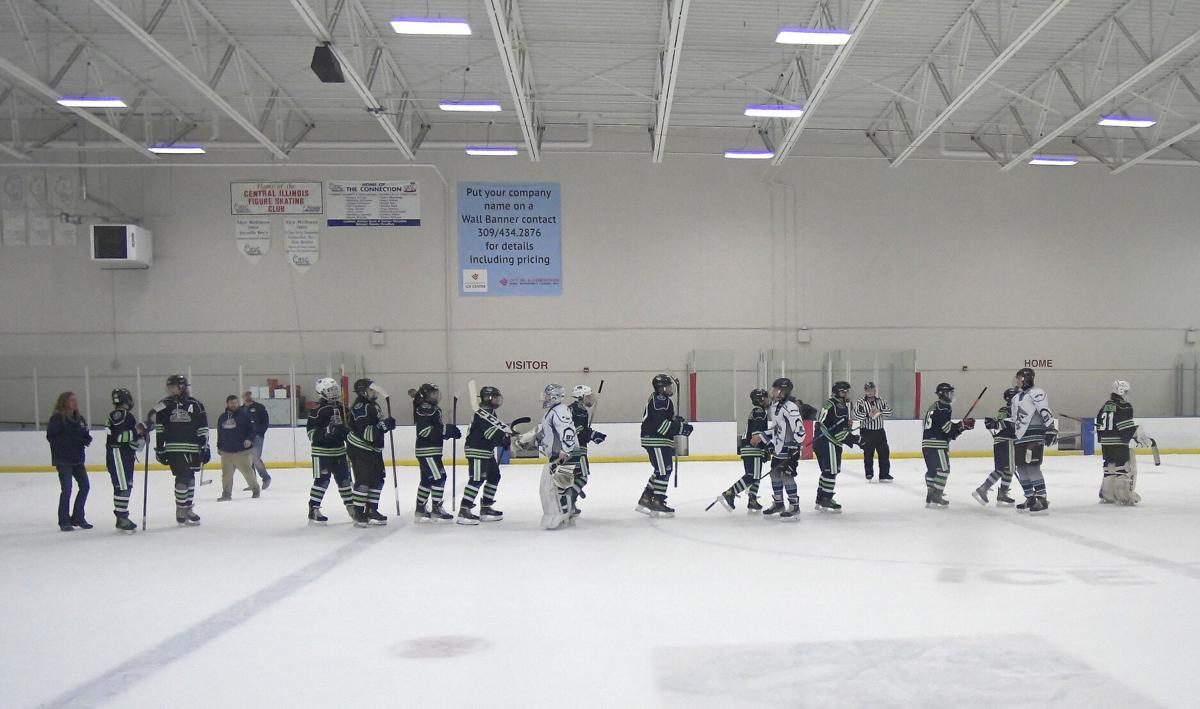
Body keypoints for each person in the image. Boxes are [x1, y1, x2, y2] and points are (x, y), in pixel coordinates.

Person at [151, 374, 208, 527]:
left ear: (182, 387)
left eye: (173, 387)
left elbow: (202, 428)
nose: (170, 390)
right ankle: (180, 508)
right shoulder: (163, 405)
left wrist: (204, 446)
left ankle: (187, 507)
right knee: (182, 478)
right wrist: (160, 448)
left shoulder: (196, 405)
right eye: (169, 387)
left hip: (193, 448)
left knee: (190, 478)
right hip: (174, 449)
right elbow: (160, 428)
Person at [636, 374, 691, 518]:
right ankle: (657, 500)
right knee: (664, 470)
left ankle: (647, 497)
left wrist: (674, 420)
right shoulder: (661, 400)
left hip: (657, 439)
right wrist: (679, 428)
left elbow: (661, 419)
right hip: (656, 440)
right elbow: (659, 425)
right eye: (667, 386)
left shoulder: (659, 399)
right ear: (660, 388)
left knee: (661, 470)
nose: (670, 388)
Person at [305, 377, 355, 525]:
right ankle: (313, 508)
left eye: (335, 390)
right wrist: (327, 430)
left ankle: (351, 507)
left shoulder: (343, 409)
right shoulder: (317, 411)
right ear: (322, 392)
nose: (334, 393)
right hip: (321, 453)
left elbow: (349, 429)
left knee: (344, 481)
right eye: (330, 390)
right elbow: (311, 434)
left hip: (339, 451)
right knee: (322, 481)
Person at [458, 385, 509, 525]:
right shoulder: (483, 413)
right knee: (477, 479)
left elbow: (493, 431)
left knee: (494, 476)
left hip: (486, 451)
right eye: (495, 398)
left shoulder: (488, 412)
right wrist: (502, 438)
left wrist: (504, 436)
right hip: (477, 450)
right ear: (488, 398)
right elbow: (489, 433)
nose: (498, 401)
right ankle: (464, 509)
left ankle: (486, 507)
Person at [347, 378, 394, 527]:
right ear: (364, 392)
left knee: (378, 479)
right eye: (372, 389)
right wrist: (383, 426)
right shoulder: (362, 407)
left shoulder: (373, 406)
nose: (375, 391)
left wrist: (385, 426)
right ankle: (359, 513)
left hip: (373, 450)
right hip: (361, 450)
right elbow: (366, 433)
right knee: (363, 481)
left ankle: (372, 510)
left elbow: (375, 431)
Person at [531, 384, 579, 530]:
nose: (544, 398)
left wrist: (566, 450)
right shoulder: (552, 411)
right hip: (557, 456)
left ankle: (559, 514)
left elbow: (568, 431)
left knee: (554, 488)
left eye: (546, 395)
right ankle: (565, 512)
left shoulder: (560, 411)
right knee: (553, 487)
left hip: (563, 456)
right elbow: (544, 432)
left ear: (553, 397)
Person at [756, 377, 805, 521]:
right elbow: (777, 428)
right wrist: (764, 437)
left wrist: (796, 445)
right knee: (774, 474)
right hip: (779, 447)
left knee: (786, 475)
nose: (773, 392)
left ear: (783, 391)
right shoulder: (775, 406)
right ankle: (778, 504)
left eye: (775, 389)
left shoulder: (791, 407)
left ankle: (794, 506)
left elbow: (799, 428)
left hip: (789, 448)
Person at [714, 388, 770, 513]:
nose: (768, 400)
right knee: (753, 476)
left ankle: (752, 500)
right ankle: (730, 493)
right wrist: (766, 447)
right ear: (761, 399)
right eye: (765, 398)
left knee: (754, 475)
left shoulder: (756, 411)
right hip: (753, 449)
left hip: (748, 449)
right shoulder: (760, 412)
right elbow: (756, 434)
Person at [1010, 367, 1057, 515]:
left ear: (1025, 378)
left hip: (1034, 436)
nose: (1017, 381)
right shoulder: (1016, 397)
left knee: (1032, 467)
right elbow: (1014, 419)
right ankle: (1030, 497)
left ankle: (1042, 499)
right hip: (1020, 437)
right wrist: (997, 424)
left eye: (1018, 378)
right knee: (1021, 468)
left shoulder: (1037, 393)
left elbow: (1044, 410)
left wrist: (1050, 427)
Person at [411, 383, 459, 523]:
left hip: (431, 451)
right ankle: (436, 509)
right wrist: (446, 431)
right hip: (428, 451)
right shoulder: (426, 408)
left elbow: (434, 429)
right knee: (439, 478)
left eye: (437, 393)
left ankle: (420, 509)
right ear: (426, 395)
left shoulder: (432, 408)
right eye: (433, 393)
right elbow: (424, 431)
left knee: (427, 480)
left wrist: (446, 432)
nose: (436, 395)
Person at [921, 382, 973, 509]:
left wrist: (958, 428)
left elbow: (941, 428)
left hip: (926, 443)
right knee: (944, 470)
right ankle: (936, 495)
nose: (951, 395)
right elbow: (947, 428)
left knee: (932, 471)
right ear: (942, 394)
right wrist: (962, 426)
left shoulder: (933, 406)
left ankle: (930, 493)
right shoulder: (944, 407)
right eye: (949, 393)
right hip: (937, 444)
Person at [47, 391, 93, 531]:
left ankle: (78, 517)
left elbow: (84, 433)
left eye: (75, 399)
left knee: (85, 486)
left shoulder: (80, 419)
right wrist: (74, 440)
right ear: (64, 402)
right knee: (67, 489)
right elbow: (52, 437)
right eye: (72, 400)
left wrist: (86, 439)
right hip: (63, 459)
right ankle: (64, 520)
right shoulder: (57, 419)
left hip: (78, 458)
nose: (75, 402)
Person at [814, 381, 859, 513]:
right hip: (828, 442)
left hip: (821, 441)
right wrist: (855, 439)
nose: (845, 394)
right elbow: (837, 431)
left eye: (846, 391)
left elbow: (828, 424)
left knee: (827, 471)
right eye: (843, 391)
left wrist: (846, 426)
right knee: (831, 471)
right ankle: (826, 498)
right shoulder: (838, 405)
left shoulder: (830, 403)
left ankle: (820, 497)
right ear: (836, 392)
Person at [1096, 380, 1144, 505]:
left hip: (1106, 442)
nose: (1127, 394)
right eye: (1126, 391)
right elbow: (1125, 427)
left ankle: (1107, 494)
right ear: (1121, 391)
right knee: (1122, 467)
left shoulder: (1106, 405)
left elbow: (1099, 425)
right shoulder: (1124, 406)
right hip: (1118, 442)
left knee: (1109, 467)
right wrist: (1135, 433)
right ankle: (1124, 496)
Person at [104, 388, 144, 533]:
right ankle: (121, 518)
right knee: (123, 486)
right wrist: (138, 432)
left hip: (123, 455)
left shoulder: (117, 415)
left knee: (124, 485)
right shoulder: (123, 415)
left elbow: (131, 443)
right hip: (118, 455)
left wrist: (141, 438)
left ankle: (122, 517)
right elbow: (120, 437)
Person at [972, 388, 1018, 507]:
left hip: (1000, 442)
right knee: (1010, 468)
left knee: (1003, 469)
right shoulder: (1011, 410)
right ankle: (986, 489)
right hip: (1006, 441)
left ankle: (997, 492)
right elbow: (1004, 423)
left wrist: (994, 423)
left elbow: (999, 423)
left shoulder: (1006, 410)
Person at [566, 384, 605, 516]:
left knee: (572, 477)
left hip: (571, 449)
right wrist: (591, 435)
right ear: (580, 397)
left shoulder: (580, 410)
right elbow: (577, 431)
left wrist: (593, 435)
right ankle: (569, 500)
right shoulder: (575, 410)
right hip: (576, 449)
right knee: (582, 477)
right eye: (588, 396)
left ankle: (569, 502)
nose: (590, 399)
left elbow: (582, 430)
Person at [216, 395, 260, 501]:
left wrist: (249, 439)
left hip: (241, 451)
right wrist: (219, 446)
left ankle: (255, 488)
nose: (234, 405)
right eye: (231, 403)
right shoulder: (222, 417)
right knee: (226, 475)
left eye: (235, 402)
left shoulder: (245, 415)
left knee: (247, 472)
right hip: (226, 451)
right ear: (227, 404)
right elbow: (220, 432)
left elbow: (252, 430)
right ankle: (226, 494)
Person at [853, 382, 893, 482]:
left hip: (880, 432)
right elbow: (856, 415)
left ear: (875, 390)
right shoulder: (860, 402)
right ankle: (869, 473)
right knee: (868, 453)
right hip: (867, 432)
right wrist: (868, 415)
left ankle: (884, 474)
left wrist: (880, 411)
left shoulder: (881, 401)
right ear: (865, 391)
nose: (870, 392)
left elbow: (890, 412)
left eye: (871, 390)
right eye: (867, 390)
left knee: (884, 453)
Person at [242, 390, 271, 490]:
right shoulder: (241, 410)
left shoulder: (259, 407)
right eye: (245, 395)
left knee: (255, 458)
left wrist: (260, 433)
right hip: (246, 438)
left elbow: (265, 422)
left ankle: (266, 478)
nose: (247, 396)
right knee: (248, 460)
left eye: (249, 394)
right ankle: (253, 483)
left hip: (257, 437)